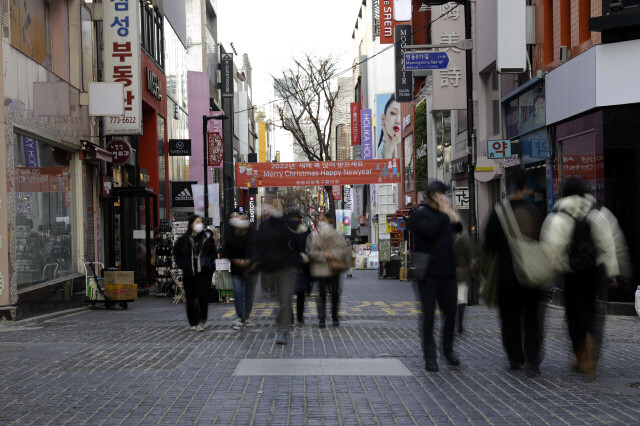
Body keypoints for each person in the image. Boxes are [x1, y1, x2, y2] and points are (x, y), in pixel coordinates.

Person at [540, 177, 626, 379]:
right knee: (592, 311)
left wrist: (551, 274)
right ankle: (592, 356)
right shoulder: (597, 213)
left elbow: (552, 248)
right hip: (594, 271)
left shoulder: (558, 215)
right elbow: (608, 244)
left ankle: (581, 357)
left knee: (573, 314)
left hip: (570, 273)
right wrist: (612, 272)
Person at [484, 168, 544, 374]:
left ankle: (514, 357)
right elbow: (544, 240)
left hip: (506, 276)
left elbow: (489, 243)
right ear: (525, 183)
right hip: (532, 275)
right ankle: (533, 359)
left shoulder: (498, 212)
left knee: (509, 318)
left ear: (508, 184)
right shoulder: (534, 210)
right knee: (532, 318)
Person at [412, 181, 461, 372]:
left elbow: (458, 229)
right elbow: (430, 231)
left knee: (450, 314)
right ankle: (430, 357)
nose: (446, 197)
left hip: (448, 273)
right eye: (442, 194)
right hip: (428, 274)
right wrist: (444, 213)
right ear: (433, 195)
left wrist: (451, 213)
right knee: (428, 317)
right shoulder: (420, 216)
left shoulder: (444, 215)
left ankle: (447, 351)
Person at [250, 199, 297, 344]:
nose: (276, 208)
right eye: (274, 205)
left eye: (279, 205)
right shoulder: (264, 226)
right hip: (268, 269)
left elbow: (296, 242)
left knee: (284, 300)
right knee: (275, 298)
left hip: (285, 268)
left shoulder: (288, 225)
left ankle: (282, 331)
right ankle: (283, 319)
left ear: (283, 208)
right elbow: (257, 245)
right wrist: (255, 261)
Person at [307, 211, 350, 328]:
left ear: (329, 222)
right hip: (320, 270)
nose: (321, 222)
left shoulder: (337, 235)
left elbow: (344, 250)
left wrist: (333, 254)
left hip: (334, 269)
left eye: (323, 220)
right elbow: (312, 252)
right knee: (321, 295)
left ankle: (335, 317)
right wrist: (325, 255)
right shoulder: (315, 237)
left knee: (335, 294)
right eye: (321, 220)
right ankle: (322, 318)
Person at [173, 215, 216, 331]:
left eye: (201, 222)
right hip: (189, 273)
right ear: (191, 224)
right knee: (190, 298)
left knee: (203, 297)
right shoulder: (184, 240)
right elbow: (176, 253)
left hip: (204, 272)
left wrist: (209, 262)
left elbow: (213, 252)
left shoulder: (207, 238)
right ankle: (193, 321)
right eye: (197, 222)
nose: (199, 224)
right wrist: (183, 265)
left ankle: (202, 320)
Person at [224, 210, 256, 330]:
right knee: (238, 293)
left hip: (251, 269)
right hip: (237, 270)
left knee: (249, 295)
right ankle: (240, 317)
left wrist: (251, 261)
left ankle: (246, 316)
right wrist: (236, 260)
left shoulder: (253, 233)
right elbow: (227, 251)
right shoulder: (231, 235)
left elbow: (257, 249)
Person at [287, 208, 312, 324]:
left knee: (287, 292)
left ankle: (290, 317)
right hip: (302, 262)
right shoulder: (305, 229)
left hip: (286, 263)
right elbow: (310, 246)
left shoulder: (283, 228)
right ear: (299, 217)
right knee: (301, 291)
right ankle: (300, 317)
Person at [453, 226, 473, 334]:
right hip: (463, 275)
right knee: (461, 299)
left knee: (451, 300)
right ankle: (460, 323)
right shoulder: (465, 240)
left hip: (449, 276)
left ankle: (453, 322)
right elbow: (471, 259)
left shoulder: (447, 239)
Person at [377, 95, 401, 159]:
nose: (398, 121)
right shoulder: (379, 151)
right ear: (383, 118)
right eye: (393, 113)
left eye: (403, 114)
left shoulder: (408, 145)